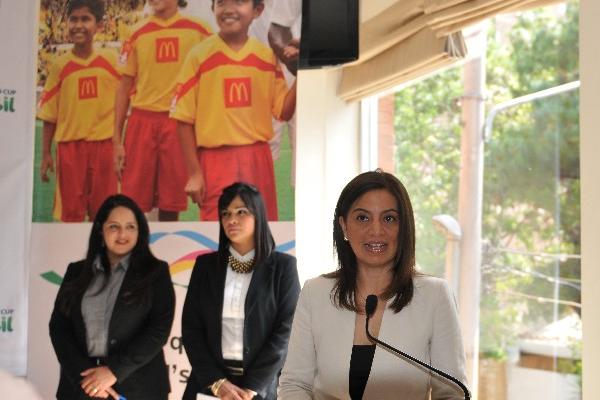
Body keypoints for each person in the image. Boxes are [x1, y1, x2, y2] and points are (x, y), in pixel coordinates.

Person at [278, 170, 468, 399]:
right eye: (363, 218)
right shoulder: (315, 293)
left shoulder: (435, 296)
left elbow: (452, 394)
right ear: (344, 226)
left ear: (404, 227)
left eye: (389, 218)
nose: (376, 230)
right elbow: (295, 385)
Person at [171, 0, 297, 221]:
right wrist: (194, 173)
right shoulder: (199, 56)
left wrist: (302, 68)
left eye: (238, 2)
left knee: (261, 230)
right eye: (221, 3)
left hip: (258, 160)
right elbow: (183, 119)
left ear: (257, 11)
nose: (229, 9)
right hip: (215, 162)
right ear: (213, 9)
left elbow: (283, 111)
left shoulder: (266, 58)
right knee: (218, 233)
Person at [49, 194, 176, 399]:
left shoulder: (156, 272)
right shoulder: (76, 272)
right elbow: (59, 328)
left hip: (139, 388)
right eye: (114, 226)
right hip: (82, 388)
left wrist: (113, 372)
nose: (122, 234)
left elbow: (158, 330)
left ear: (140, 231)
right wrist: (88, 380)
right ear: (101, 229)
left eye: (130, 227)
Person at [181, 182, 300, 399]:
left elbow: (286, 332)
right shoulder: (205, 266)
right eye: (225, 213)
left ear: (259, 216)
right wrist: (218, 384)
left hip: (257, 389)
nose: (231, 219)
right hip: (208, 385)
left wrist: (250, 388)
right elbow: (191, 330)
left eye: (241, 212)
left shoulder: (283, 267)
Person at [113, 0, 212, 221]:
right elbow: (123, 89)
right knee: (133, 202)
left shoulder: (199, 31)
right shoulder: (136, 33)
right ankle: (136, 252)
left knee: (171, 203)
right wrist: (116, 141)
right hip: (142, 121)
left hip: (177, 124)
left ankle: (167, 250)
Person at [37, 0, 119, 222]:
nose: (78, 25)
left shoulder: (110, 61)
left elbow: (126, 101)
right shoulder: (59, 66)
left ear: (99, 25)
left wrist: (121, 144)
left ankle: (100, 256)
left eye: (85, 19)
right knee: (70, 215)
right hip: (70, 151)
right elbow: (49, 114)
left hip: (104, 148)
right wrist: (45, 153)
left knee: (104, 215)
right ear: (67, 23)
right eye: (73, 19)